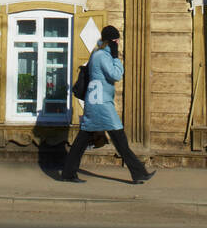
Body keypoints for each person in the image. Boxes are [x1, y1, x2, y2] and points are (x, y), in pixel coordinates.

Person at [61, 25, 154, 184]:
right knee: (118, 138)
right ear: (111, 40)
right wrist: (116, 58)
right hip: (101, 103)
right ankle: (139, 173)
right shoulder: (102, 56)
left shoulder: (97, 54)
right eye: (116, 39)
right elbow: (115, 75)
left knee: (83, 140)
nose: (118, 42)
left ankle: (68, 173)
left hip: (96, 101)